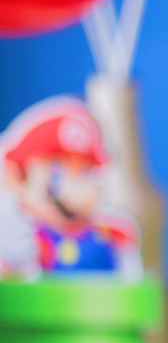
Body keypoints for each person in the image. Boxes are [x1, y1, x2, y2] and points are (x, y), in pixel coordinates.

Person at [0, 96, 141, 279]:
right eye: (57, 171)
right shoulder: (30, 238)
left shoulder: (111, 235)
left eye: (86, 172)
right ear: (20, 177)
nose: (75, 186)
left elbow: (133, 286)